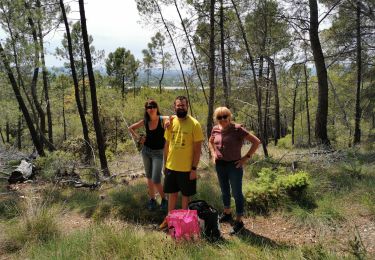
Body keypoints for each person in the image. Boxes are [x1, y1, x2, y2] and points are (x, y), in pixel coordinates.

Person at [209, 106, 260, 235]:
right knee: (224, 191)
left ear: (229, 116)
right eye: (219, 117)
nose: (223, 119)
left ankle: (239, 220)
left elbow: (256, 142)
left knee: (236, 193)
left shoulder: (237, 129)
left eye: (225, 116)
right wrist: (213, 153)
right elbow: (211, 142)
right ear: (216, 118)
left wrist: (245, 158)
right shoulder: (215, 129)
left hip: (234, 166)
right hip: (220, 165)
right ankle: (227, 213)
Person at [159, 96, 204, 229]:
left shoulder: (195, 124)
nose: (181, 107)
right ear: (175, 107)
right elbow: (167, 145)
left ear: (187, 106)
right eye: (178, 105)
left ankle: (184, 223)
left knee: (185, 196)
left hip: (186, 168)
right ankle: (169, 220)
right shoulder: (171, 122)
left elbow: (197, 150)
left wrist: (194, 169)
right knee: (172, 194)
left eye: (183, 105)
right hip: (171, 166)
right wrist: (165, 164)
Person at [128, 99, 169, 211]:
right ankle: (152, 199)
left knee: (156, 178)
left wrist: (167, 122)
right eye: (149, 107)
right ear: (146, 109)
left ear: (157, 108)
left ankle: (164, 199)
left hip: (158, 153)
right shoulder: (146, 121)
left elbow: (170, 117)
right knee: (149, 177)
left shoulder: (162, 119)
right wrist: (139, 138)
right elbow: (130, 128)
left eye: (153, 106)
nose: (151, 109)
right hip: (146, 151)